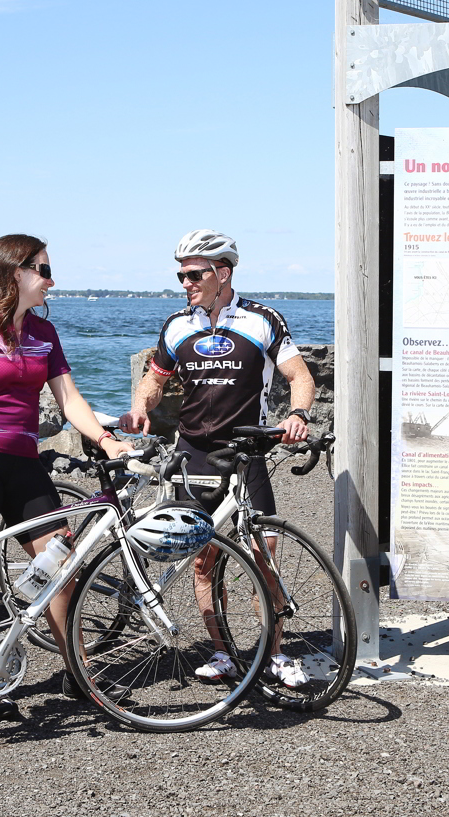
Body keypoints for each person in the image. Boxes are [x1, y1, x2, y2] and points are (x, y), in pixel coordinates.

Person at [0, 233, 133, 719]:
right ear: (13, 272)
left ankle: (77, 670)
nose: (50, 280)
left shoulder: (44, 333)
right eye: (42, 270)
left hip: (23, 460)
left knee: (60, 562)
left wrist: (106, 439)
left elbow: (69, 398)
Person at [119, 228, 316, 687]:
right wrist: (139, 409)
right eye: (181, 274)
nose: (185, 282)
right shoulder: (176, 325)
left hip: (247, 450)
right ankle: (222, 651)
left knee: (263, 554)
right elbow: (155, 379)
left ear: (222, 272)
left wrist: (298, 415)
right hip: (194, 452)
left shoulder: (262, 319)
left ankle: (275, 652)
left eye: (193, 274)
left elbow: (299, 376)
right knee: (204, 557)